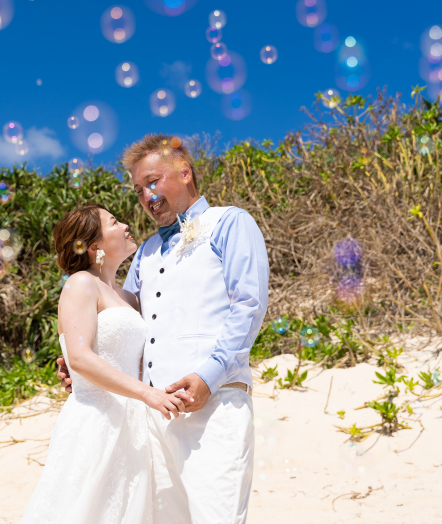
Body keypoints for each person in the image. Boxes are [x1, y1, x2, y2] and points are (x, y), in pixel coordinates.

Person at [57, 134, 270, 524]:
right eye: (139, 190)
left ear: (185, 172)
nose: (146, 196)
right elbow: (126, 319)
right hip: (152, 419)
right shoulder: (146, 252)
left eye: (153, 182)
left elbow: (249, 307)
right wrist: (79, 356)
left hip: (216, 405)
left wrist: (209, 376)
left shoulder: (230, 223)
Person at [21, 204, 193, 524]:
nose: (126, 225)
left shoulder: (129, 298)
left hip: (136, 424)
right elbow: (80, 357)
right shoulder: (80, 283)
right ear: (95, 245)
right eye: (114, 222)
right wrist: (146, 393)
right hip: (96, 421)